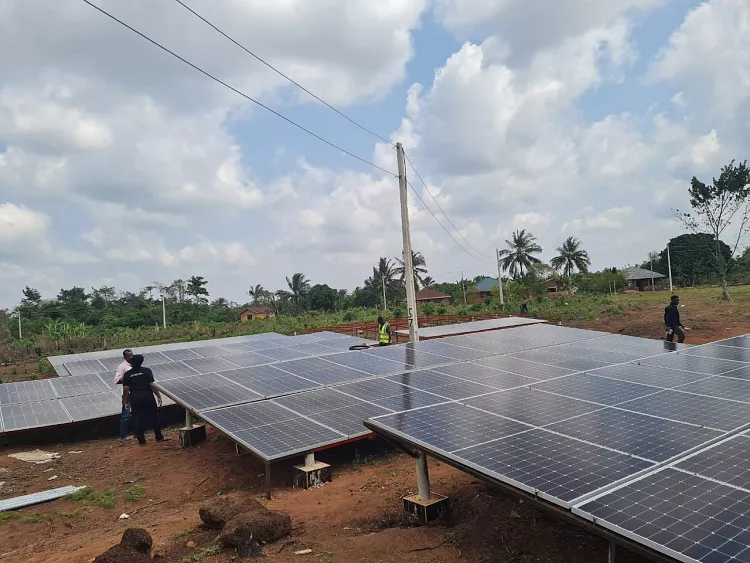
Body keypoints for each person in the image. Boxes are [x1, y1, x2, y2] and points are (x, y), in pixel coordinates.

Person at [122, 355, 166, 446]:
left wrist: (126, 402)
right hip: (148, 397)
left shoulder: (127, 374)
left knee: (138, 419)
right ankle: (159, 437)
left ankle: (141, 442)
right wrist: (158, 396)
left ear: (131, 362)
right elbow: (152, 385)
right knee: (154, 417)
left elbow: (126, 390)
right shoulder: (147, 371)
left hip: (135, 399)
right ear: (142, 361)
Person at [114, 349, 134, 442]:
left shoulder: (136, 364)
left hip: (136, 393)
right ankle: (123, 436)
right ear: (125, 357)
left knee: (136, 413)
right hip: (127, 394)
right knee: (126, 415)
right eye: (129, 356)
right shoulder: (121, 367)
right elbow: (117, 380)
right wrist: (127, 377)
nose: (131, 357)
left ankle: (137, 433)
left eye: (132, 355)